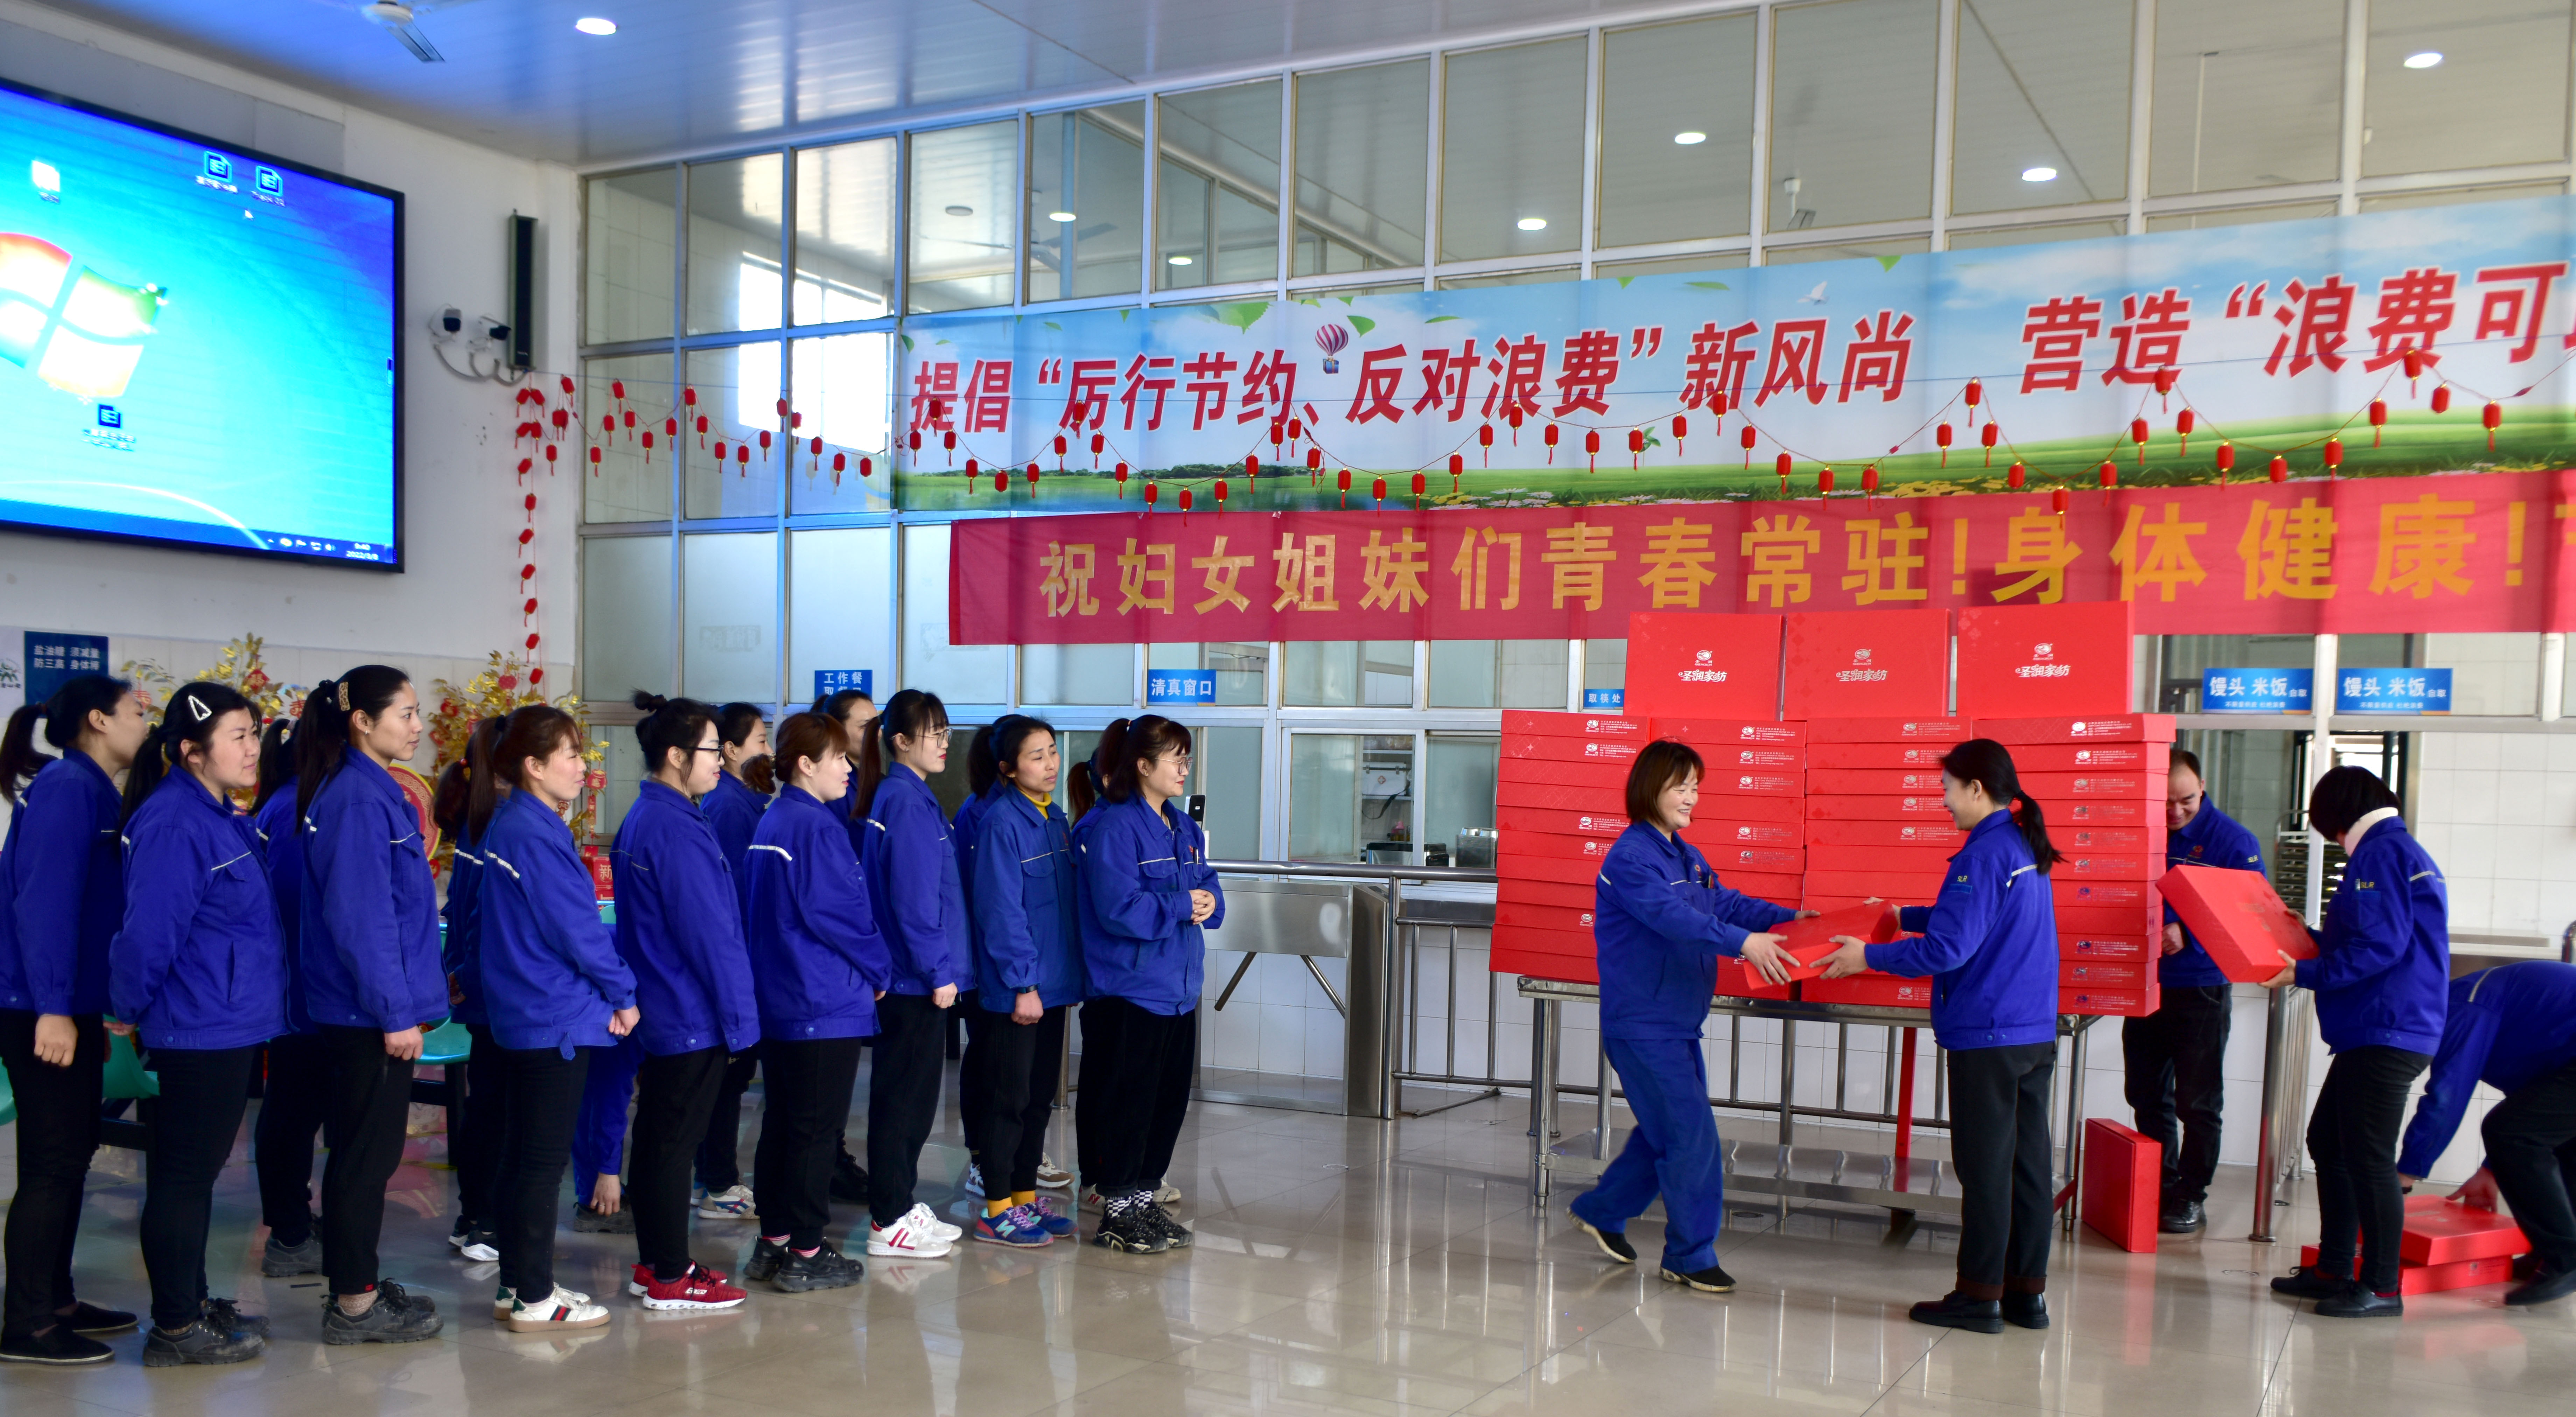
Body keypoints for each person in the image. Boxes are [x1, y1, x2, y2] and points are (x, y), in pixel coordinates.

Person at [1819, 738, 2061, 1334]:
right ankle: (2025, 1295)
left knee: (1985, 1170)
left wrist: (1868, 956)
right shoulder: (2020, 844)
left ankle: (1978, 1297)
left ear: (1976, 788)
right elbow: (1973, 920)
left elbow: (1950, 948)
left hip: (1988, 1035)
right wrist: (1902, 916)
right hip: (2030, 1032)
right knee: (2028, 1169)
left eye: (1949, 788)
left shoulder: (1982, 854)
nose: (1945, 800)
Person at [1568, 740, 1802, 1293]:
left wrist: (1794, 920)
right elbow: (1673, 918)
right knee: (1692, 1137)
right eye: (1682, 787)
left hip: (1676, 1021)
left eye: (1696, 787)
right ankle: (1690, 1255)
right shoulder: (1630, 859)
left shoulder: (1684, 855)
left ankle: (1602, 1210)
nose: (1692, 798)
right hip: (1643, 1025)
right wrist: (1744, 944)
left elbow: (1726, 904)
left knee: (1665, 1134)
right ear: (1651, 789)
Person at [109, 682, 285, 1366]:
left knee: (197, 1175)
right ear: (191, 750)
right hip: (197, 1025)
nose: (253, 747)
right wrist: (125, 1009)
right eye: (238, 736)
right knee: (183, 1178)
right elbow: (148, 932)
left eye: (253, 733)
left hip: (226, 1020)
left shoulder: (215, 813)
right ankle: (176, 1328)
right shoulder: (175, 822)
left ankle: (193, 1301)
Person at [470, 704, 637, 1332]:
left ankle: (519, 1285)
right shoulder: (533, 834)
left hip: (528, 1013)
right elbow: (578, 932)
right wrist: (623, 993)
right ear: (534, 766)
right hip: (553, 1018)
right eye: (570, 754)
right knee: (540, 1166)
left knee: (522, 1159)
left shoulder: (515, 824)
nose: (582, 766)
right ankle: (536, 1296)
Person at [294, 666, 446, 1344]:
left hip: (368, 1009)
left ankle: (355, 1286)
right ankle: (354, 1304)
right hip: (365, 1015)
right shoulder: (358, 798)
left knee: (366, 1155)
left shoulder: (371, 790)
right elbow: (363, 919)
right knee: (364, 1157)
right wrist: (394, 1011)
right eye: (406, 713)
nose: (418, 725)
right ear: (362, 720)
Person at [2264, 765, 2449, 1318]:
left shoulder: (2379, 853)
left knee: (2368, 1157)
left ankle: (2382, 1287)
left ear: (2334, 818)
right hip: (2384, 1027)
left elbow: (2379, 949)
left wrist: (2303, 972)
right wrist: (2305, 938)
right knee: (2329, 1141)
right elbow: (2374, 939)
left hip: (2386, 1028)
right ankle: (2335, 1267)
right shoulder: (2400, 850)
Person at [0, 674, 145, 1367]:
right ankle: (27, 1324)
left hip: (71, 1005)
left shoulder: (92, 788)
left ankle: (55, 1300)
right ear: (98, 719)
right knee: (51, 1162)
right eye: (136, 711)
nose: (144, 722)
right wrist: (55, 1008)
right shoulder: (67, 788)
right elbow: (45, 905)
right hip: (39, 1007)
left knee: (72, 1153)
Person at [608, 693, 755, 1310]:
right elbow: (710, 935)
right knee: (671, 1147)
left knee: (660, 1141)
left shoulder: (654, 814)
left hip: (669, 1005)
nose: (721, 760)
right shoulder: (673, 827)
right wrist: (742, 1023)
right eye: (711, 750)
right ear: (675, 755)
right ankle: (670, 1273)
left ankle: (658, 1264)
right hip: (689, 1011)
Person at [741, 712, 887, 1292]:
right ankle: (806, 1250)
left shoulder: (774, 819)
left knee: (783, 1124)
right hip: (821, 999)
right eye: (839, 758)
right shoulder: (815, 826)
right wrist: (880, 967)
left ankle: (774, 1242)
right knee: (815, 1132)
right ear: (806, 764)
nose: (849, 768)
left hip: (783, 997)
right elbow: (841, 915)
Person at [1072, 716, 1222, 1254]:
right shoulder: (1114, 827)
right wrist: (1183, 905)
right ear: (1142, 765)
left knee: (1166, 1104)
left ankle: (1142, 1198)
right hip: (1129, 991)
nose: (1184, 769)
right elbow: (1118, 909)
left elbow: (1207, 884)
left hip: (1178, 990)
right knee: (1126, 1104)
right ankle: (1117, 1209)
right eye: (1176, 760)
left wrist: (1209, 901)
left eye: (1186, 759)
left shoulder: (1182, 827)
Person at [2127, 747, 2266, 1235]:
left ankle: (2190, 1195)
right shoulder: (2144, 832)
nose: (2175, 812)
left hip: (2200, 988)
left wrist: (2188, 929)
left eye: (2185, 800)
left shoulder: (2232, 841)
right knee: (2146, 1094)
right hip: (2146, 986)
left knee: (2198, 1103)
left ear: (2202, 788)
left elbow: (2252, 913)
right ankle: (2161, 1185)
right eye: (2165, 802)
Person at [853, 689, 968, 1259]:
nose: (944, 743)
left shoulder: (906, 795)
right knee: (904, 1104)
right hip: (913, 980)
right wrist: (938, 971)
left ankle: (899, 1204)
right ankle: (890, 1218)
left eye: (946, 731)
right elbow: (915, 901)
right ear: (900, 741)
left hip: (909, 976)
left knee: (911, 1101)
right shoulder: (905, 801)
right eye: (933, 733)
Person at [964, 717, 1084, 1247]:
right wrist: (1022, 984)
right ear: (1009, 768)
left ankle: (1023, 1199)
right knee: (1007, 1100)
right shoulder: (1001, 822)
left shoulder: (1054, 818)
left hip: (1053, 986)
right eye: (1037, 756)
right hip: (1018, 990)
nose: (1051, 764)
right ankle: (995, 1209)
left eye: (1052, 751)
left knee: (1037, 1101)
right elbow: (1001, 910)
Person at [2394, 961, 2576, 1307]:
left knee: (2508, 1131)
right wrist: (2490, 1170)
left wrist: (2406, 1173)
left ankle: (2565, 1258)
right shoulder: (2464, 1004)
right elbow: (2536, 1102)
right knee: (2561, 1143)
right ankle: (2550, 1255)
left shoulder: (2462, 1008)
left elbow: (2448, 1096)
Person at [250, 714, 332, 1279]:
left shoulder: (289, 803)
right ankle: (289, 1233)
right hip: (301, 994)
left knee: (294, 1111)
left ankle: (294, 1219)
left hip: (301, 991)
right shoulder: (294, 811)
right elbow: (297, 907)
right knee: (292, 1113)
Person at [428, 718, 505, 1265]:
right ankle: (486, 1223)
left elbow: (459, 914)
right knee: (500, 1113)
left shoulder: (482, 827)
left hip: (481, 990)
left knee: (487, 1107)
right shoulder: (504, 829)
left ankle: (473, 1217)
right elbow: (480, 920)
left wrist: (459, 971)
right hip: (500, 995)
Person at [693, 701, 771, 1222]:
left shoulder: (744, 801)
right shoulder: (728, 806)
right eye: (761, 740)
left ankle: (716, 1178)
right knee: (726, 1079)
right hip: (737, 961)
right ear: (730, 748)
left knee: (733, 1078)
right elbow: (737, 899)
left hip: (744, 961)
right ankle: (717, 1182)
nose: (768, 749)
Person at [811, 688, 877, 1203]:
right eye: (863, 725)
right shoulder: (825, 803)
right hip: (832, 965)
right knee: (814, 1104)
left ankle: (832, 1160)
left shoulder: (865, 781)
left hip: (851, 957)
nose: (874, 732)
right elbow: (833, 899)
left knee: (832, 1093)